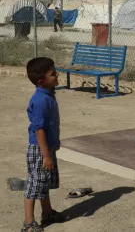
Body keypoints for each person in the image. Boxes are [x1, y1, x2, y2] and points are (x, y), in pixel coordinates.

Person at [22, 57, 66, 232]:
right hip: (40, 150)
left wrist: (54, 142)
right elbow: (39, 128)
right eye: (53, 74)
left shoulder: (48, 94)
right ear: (41, 81)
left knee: (44, 182)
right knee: (35, 184)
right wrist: (46, 155)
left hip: (47, 147)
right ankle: (28, 223)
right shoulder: (40, 101)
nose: (57, 76)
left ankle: (47, 212)